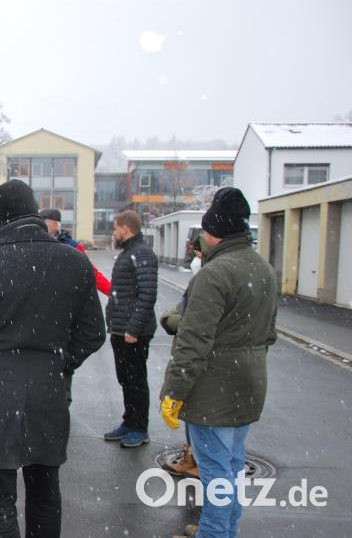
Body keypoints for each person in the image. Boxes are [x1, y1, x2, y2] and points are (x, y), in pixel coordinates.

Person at [0, 180, 105, 538]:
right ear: (34, 211)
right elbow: (93, 332)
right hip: (48, 391)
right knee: (45, 491)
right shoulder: (74, 262)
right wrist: (60, 363)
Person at [161, 188, 277, 538]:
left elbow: (193, 342)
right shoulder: (263, 269)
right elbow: (267, 333)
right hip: (249, 384)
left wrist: (174, 391)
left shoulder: (214, 274)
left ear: (213, 234)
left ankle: (214, 533)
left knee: (215, 471)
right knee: (233, 465)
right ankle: (225, 529)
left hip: (214, 390)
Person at [103, 210, 159, 448]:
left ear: (125, 229)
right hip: (120, 330)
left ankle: (140, 427)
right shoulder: (129, 253)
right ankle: (129, 421)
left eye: (116, 228)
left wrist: (133, 329)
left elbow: (147, 295)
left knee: (136, 380)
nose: (114, 232)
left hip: (133, 333)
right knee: (126, 379)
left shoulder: (142, 254)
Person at [39, 209, 111, 296]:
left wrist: (113, 294)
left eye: (43, 224)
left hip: (65, 299)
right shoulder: (36, 245)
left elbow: (91, 273)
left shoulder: (73, 247)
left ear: (55, 225)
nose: (40, 228)